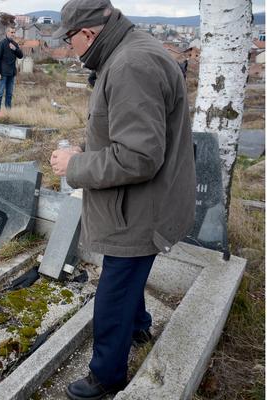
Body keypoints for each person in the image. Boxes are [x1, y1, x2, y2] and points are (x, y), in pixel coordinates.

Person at [49, 0, 196, 398]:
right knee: (129, 278)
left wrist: (76, 164)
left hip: (139, 209)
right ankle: (139, 326)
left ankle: (106, 377)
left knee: (113, 292)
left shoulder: (130, 66)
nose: (69, 48)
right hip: (143, 201)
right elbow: (125, 131)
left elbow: (138, 157)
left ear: (89, 34)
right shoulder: (130, 50)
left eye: (69, 39)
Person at [0, 26, 23, 111]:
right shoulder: (1, 43)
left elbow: (21, 56)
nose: (13, 34)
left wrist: (15, 49)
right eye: (12, 32)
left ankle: (8, 113)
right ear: (7, 33)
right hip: (2, 73)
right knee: (0, 93)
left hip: (12, 73)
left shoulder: (15, 44)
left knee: (9, 94)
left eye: (14, 32)